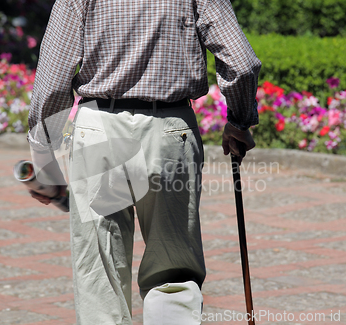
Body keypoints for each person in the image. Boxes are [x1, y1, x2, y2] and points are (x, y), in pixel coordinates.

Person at [27, 0, 261, 324]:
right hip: (170, 130)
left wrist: (43, 156)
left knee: (100, 274)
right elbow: (243, 63)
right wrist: (239, 119)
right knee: (173, 272)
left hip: (98, 129)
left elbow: (54, 73)